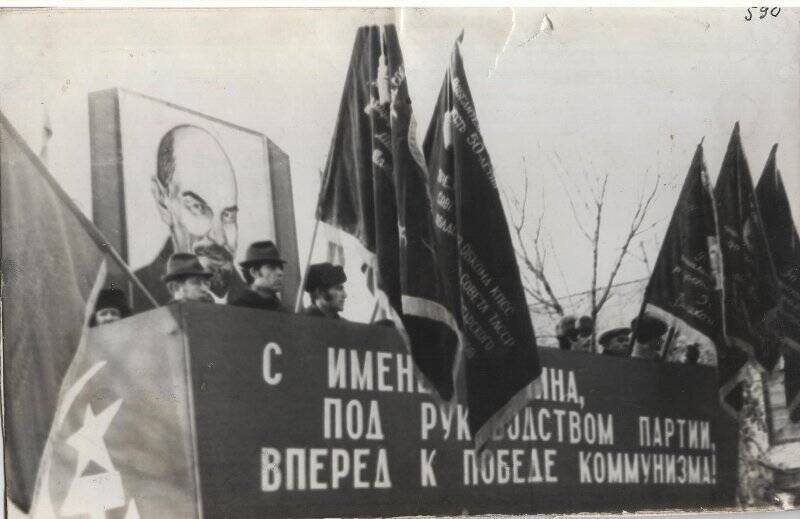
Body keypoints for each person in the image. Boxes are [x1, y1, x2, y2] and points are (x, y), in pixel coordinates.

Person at [133, 125, 245, 309]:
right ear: (163, 201)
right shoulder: (136, 293)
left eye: (227, 215)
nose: (220, 238)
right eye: (197, 207)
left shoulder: (255, 304)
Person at [230, 240, 287, 311]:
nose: (280, 273)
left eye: (281, 267)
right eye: (271, 267)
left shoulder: (282, 310)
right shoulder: (235, 309)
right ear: (254, 272)